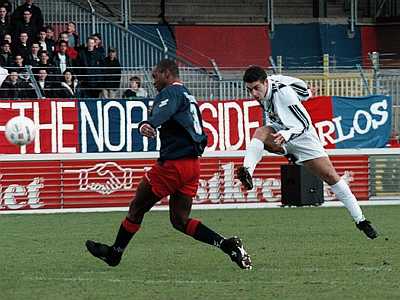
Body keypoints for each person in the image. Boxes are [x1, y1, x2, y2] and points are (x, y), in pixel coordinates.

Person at [85, 59, 252, 270]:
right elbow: (200, 133)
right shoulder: (188, 95)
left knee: (137, 207)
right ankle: (227, 245)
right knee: (180, 220)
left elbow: (164, 111)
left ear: (166, 73)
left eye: (155, 76)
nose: (153, 82)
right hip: (192, 166)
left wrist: (148, 123)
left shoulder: (171, 93)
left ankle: (115, 253)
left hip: (173, 166)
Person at [237, 65, 378, 239]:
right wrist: (307, 93)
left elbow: (303, 124)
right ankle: (247, 172)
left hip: (302, 137)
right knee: (260, 132)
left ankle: (361, 220)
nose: (254, 94)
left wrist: (288, 133)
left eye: (256, 88)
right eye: (249, 90)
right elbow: (299, 85)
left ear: (266, 82)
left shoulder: (284, 94)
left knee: (331, 176)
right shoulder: (272, 84)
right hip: (280, 132)